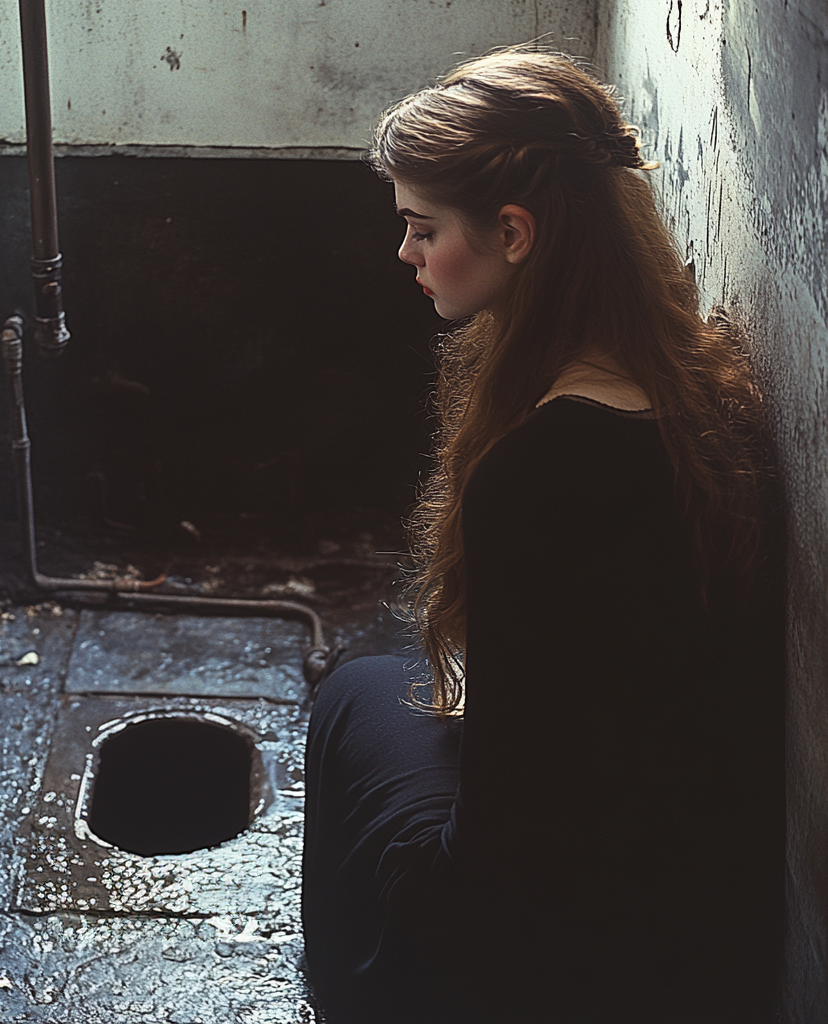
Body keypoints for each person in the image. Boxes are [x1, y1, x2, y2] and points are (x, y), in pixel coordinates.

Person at [301, 48, 785, 1023]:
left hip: (579, 940)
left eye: (422, 228)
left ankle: (353, 990)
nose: (405, 254)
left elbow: (505, 840)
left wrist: (424, 919)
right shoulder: (699, 384)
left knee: (353, 691)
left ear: (515, 232)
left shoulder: (534, 476)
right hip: (710, 897)